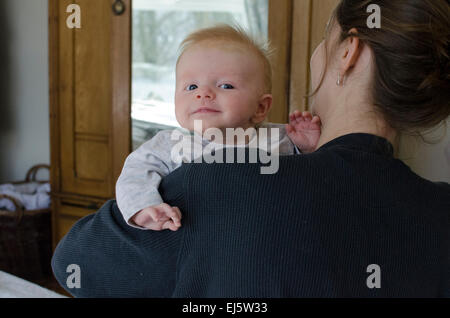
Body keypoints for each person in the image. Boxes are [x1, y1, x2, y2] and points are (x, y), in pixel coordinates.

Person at [51, 0, 450, 297]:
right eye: (190, 86)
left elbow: (73, 262)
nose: (204, 93)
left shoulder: (217, 180)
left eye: (322, 40)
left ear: (348, 53)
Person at [116, 25, 321, 232]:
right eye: (191, 87)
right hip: (197, 239)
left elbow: (309, 178)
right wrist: (144, 208)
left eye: (225, 86)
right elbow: (134, 176)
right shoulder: (170, 143)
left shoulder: (280, 138)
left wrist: (308, 147)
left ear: (260, 108)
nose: (203, 93)